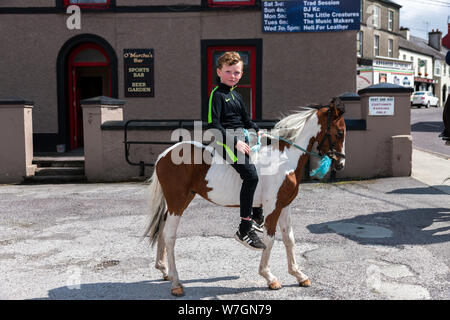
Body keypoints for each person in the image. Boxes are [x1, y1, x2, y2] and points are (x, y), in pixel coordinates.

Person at [207, 51, 266, 251]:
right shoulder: (216, 95)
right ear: (219, 72)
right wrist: (235, 143)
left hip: (242, 137)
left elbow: (247, 121)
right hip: (225, 141)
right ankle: (244, 228)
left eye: (237, 72)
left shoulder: (237, 96)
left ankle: (258, 214)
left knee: (266, 168)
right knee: (250, 176)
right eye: (229, 72)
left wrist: (259, 131)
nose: (233, 76)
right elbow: (213, 125)